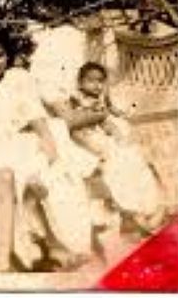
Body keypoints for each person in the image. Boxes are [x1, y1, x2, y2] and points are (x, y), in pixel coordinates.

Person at [0, 30, 98, 271]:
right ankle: (7, 261)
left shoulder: (18, 78)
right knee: (9, 180)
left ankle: (60, 246)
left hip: (21, 142)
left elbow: (35, 115)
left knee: (49, 178)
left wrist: (49, 145)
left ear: (7, 55)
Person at [51, 62, 164, 235]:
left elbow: (108, 113)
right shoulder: (76, 100)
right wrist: (98, 139)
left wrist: (117, 123)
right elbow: (75, 126)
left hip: (100, 134)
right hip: (84, 136)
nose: (96, 85)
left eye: (100, 81)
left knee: (131, 158)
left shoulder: (101, 98)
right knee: (113, 164)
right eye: (91, 81)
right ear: (80, 83)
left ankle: (144, 208)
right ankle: (132, 211)